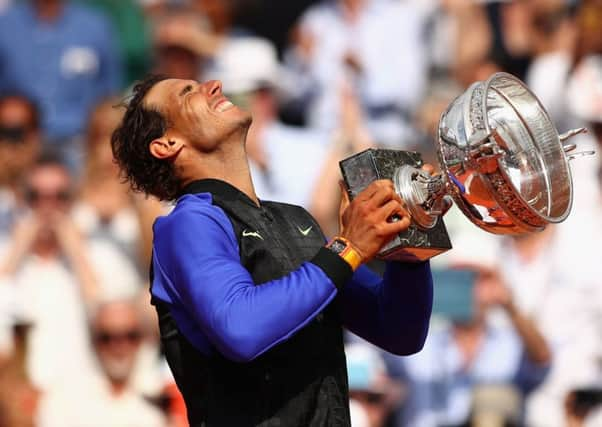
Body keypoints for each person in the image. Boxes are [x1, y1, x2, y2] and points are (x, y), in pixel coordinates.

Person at [110, 75, 434, 426]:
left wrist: (410, 236)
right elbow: (240, 328)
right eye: (188, 93)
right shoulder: (187, 224)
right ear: (167, 144)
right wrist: (350, 247)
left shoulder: (294, 219)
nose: (215, 85)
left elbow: (399, 331)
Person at [37, 298, 166, 427]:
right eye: (107, 338)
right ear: (93, 341)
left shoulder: (162, 396)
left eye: (130, 336)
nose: (119, 347)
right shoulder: (62, 400)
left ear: (141, 339)